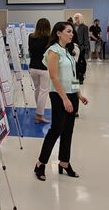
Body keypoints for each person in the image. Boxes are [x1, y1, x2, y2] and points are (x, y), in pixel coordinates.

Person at [34, 22, 88, 181]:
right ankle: (40, 164)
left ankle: (64, 162)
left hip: (71, 95)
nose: (72, 34)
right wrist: (64, 98)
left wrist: (78, 94)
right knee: (56, 129)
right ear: (58, 33)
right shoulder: (53, 51)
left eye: (72, 32)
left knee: (68, 130)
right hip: (59, 96)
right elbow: (53, 77)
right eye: (69, 31)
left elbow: (73, 75)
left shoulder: (69, 51)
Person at [28, 18, 51, 124]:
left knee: (37, 90)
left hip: (33, 67)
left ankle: (38, 111)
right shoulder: (49, 39)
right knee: (43, 91)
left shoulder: (31, 37)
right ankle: (39, 115)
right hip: (44, 68)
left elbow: (30, 50)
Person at [73, 13, 89, 84]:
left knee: (82, 63)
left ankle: (81, 76)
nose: (76, 19)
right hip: (73, 47)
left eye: (77, 17)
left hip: (81, 47)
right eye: (75, 17)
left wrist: (85, 47)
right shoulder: (72, 26)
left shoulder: (84, 27)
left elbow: (86, 38)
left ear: (80, 18)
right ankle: (76, 77)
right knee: (74, 63)